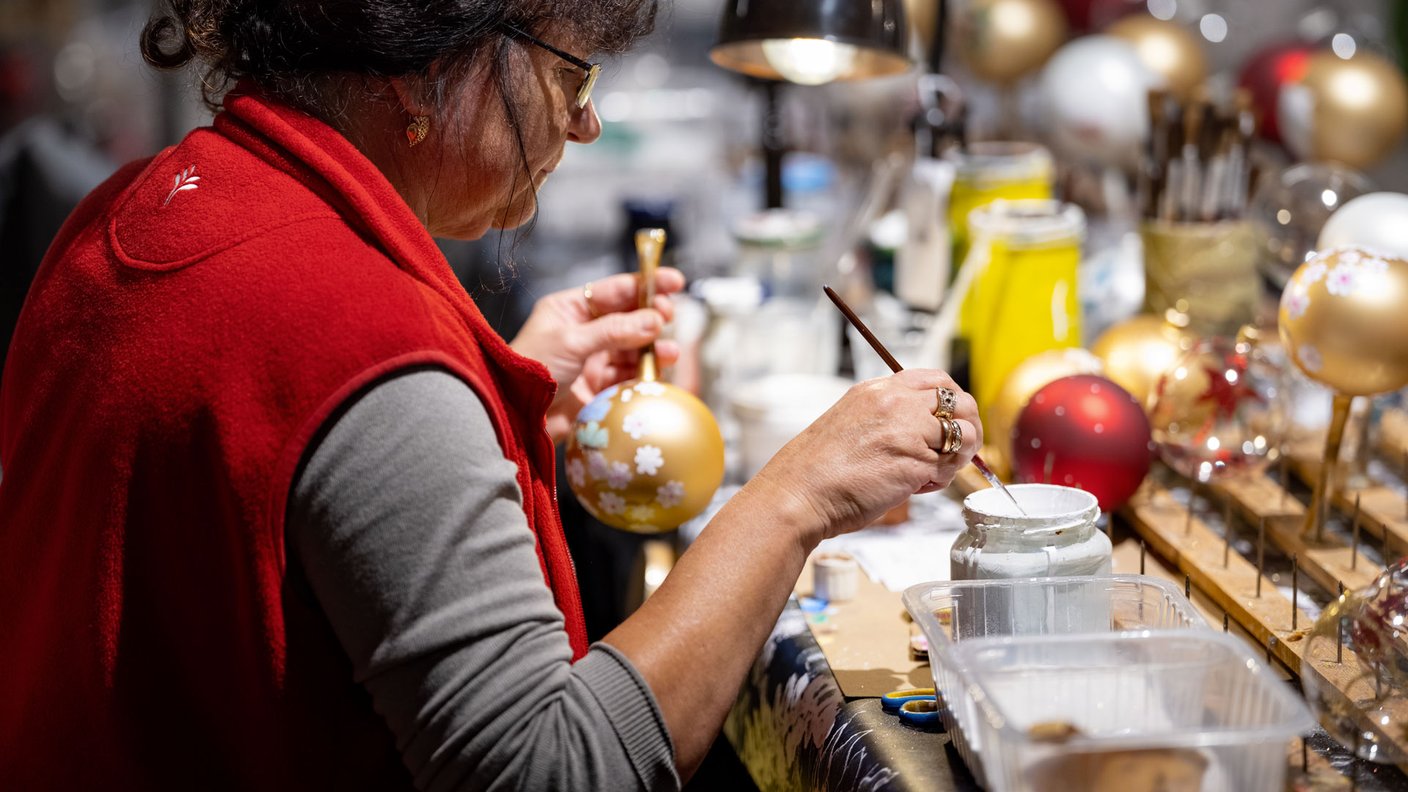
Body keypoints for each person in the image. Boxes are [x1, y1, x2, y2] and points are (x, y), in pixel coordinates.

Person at [0, 0, 983, 789]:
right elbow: (555, 767)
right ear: (427, 64)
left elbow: (263, 505)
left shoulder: (130, 204)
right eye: (569, 73)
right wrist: (792, 498)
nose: (586, 121)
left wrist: (483, 397)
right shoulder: (363, 346)